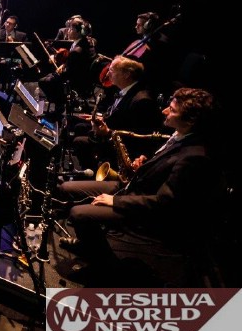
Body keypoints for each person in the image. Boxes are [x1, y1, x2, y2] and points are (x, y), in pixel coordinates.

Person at [57, 88, 223, 285]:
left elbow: (164, 203)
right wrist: (145, 163)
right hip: (133, 187)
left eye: (172, 110)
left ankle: (105, 269)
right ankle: (90, 245)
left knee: (79, 214)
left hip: (146, 210)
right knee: (66, 189)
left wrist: (115, 201)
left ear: (190, 121)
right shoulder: (179, 134)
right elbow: (164, 166)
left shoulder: (195, 156)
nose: (164, 111)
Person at [70, 55, 164, 173]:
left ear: (127, 74)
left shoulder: (142, 101)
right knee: (79, 125)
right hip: (113, 133)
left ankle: (92, 174)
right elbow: (118, 115)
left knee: (79, 141)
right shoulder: (125, 90)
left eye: (112, 70)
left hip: (124, 148)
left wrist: (107, 132)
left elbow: (137, 138)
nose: (107, 74)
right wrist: (101, 118)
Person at [37, 17, 97, 111]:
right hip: (85, 79)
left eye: (71, 29)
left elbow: (69, 73)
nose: (68, 31)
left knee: (43, 81)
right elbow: (75, 63)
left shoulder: (77, 51)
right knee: (49, 77)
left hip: (77, 82)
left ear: (78, 32)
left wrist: (57, 73)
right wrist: (64, 65)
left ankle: (60, 104)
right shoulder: (86, 43)